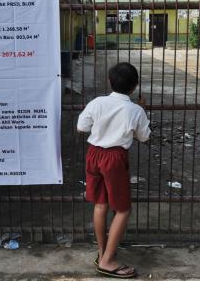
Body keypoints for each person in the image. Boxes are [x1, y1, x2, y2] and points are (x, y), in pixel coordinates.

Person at [77, 62, 150, 278]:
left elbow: (82, 127)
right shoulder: (135, 110)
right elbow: (145, 137)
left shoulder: (97, 102)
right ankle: (108, 261)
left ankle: (102, 252)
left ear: (109, 82)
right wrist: (142, 110)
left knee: (101, 204)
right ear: (135, 86)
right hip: (114, 158)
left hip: (94, 154)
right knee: (123, 209)